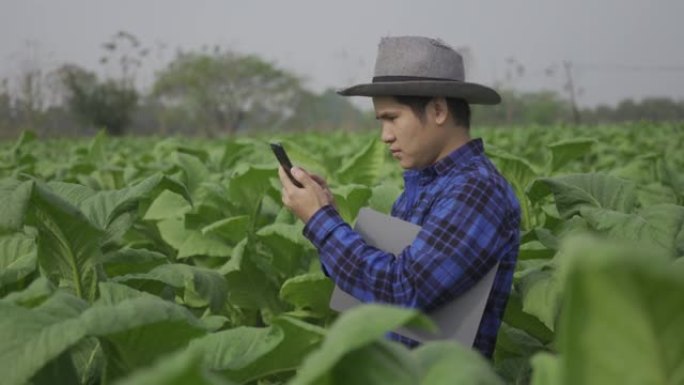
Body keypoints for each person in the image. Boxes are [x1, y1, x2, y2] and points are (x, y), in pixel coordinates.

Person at [277, 36, 520, 359]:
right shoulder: (424, 187)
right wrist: (328, 214)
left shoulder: (476, 190)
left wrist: (321, 223)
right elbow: (371, 292)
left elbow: (404, 291)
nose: (385, 136)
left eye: (392, 118)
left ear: (437, 110)